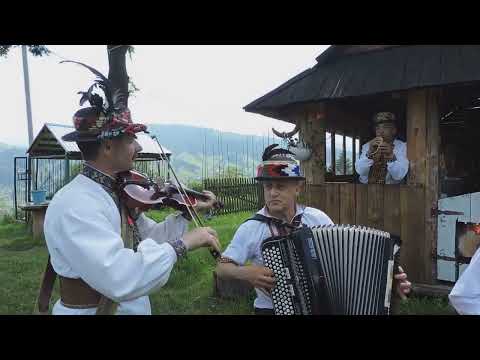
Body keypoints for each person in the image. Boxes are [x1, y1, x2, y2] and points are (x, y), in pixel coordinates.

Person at [38, 61, 221, 315]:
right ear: (108, 146)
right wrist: (184, 244)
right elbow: (121, 278)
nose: (138, 147)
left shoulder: (114, 191)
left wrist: (185, 213)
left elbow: (150, 240)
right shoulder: (77, 204)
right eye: (131, 138)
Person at [215, 144, 411, 315]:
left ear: (298, 188)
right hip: (271, 310)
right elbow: (222, 267)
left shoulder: (316, 218)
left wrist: (388, 275)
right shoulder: (252, 227)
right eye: (268, 187)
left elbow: (347, 257)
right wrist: (247, 273)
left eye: (281, 186)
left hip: (324, 306)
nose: (273, 192)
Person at [355, 112, 409, 184]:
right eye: (377, 128)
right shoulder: (368, 146)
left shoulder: (402, 146)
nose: (380, 131)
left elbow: (399, 176)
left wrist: (391, 157)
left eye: (385, 127)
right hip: (366, 190)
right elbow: (360, 171)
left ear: (394, 130)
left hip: (393, 192)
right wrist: (369, 154)